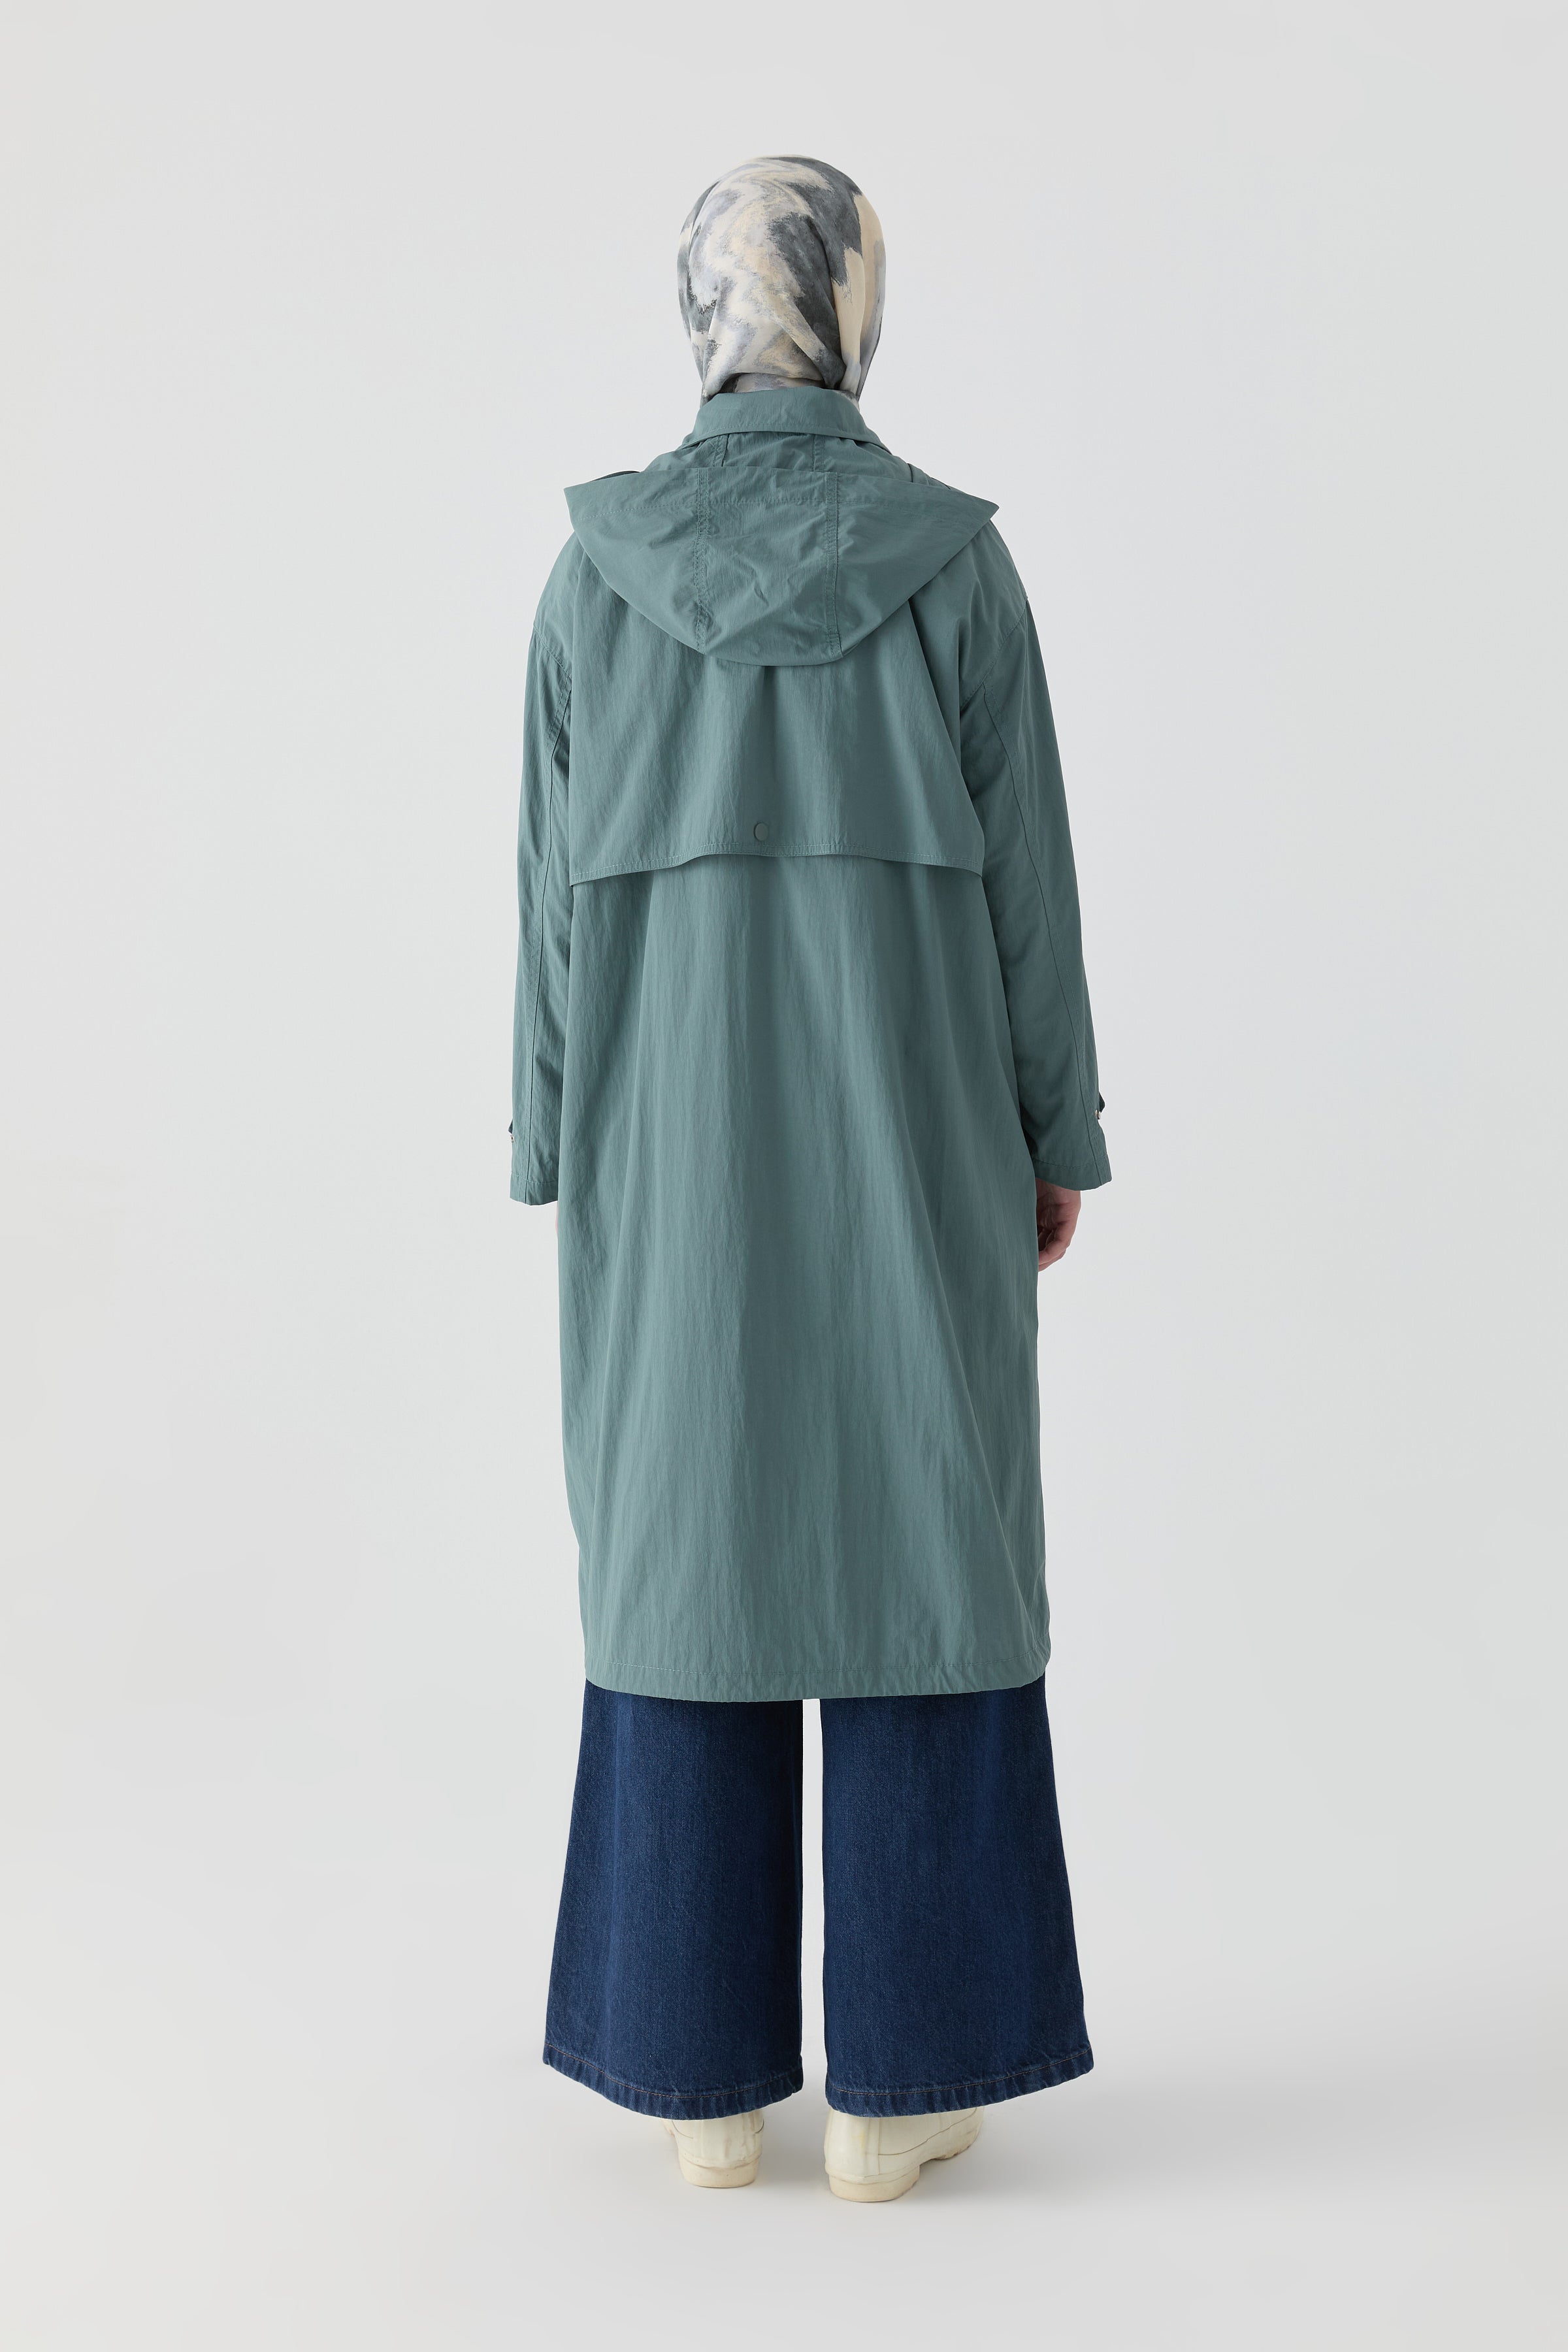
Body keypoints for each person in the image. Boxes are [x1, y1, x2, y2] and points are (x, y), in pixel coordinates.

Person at [511, 155, 1111, 2201]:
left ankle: (697, 2084)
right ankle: (907, 2083)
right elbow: (1031, 897)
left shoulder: (593, 582)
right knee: (926, 1538)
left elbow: (548, 914)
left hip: (664, 1153)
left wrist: (548, 1136)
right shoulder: (955, 571)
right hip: (915, 1135)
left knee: (686, 1541)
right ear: (857, 313)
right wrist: (1053, 1135)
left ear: (697, 318)